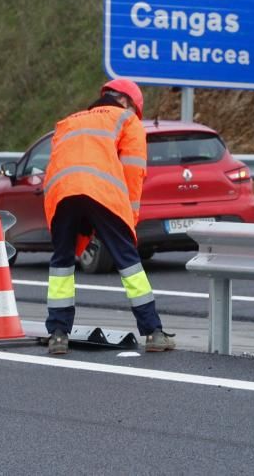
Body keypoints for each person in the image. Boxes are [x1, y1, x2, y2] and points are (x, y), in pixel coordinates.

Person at [42, 78, 175, 355]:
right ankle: (153, 332)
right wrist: (130, 219)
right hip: (102, 192)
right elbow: (132, 172)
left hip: (62, 194)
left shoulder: (69, 121)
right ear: (127, 103)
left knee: (62, 264)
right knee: (128, 262)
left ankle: (57, 335)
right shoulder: (127, 120)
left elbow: (53, 170)